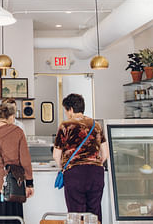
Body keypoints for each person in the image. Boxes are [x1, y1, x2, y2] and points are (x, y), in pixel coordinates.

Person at [53, 94, 109, 223]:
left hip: (75, 174)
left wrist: (64, 167)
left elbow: (56, 155)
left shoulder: (66, 125)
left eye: (66, 110)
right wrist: (93, 163)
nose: (66, 114)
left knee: (76, 215)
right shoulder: (96, 125)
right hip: (96, 173)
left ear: (71, 109)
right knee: (94, 214)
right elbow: (105, 154)